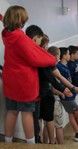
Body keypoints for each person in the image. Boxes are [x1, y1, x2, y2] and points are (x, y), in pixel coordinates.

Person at [1, 6, 56, 144]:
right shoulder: (20, 37)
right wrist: (53, 59)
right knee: (27, 113)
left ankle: (7, 143)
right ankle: (31, 144)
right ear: (21, 21)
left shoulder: (6, 34)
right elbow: (36, 57)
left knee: (12, 111)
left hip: (10, 80)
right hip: (24, 83)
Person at [25, 25, 72, 144]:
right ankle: (51, 142)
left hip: (37, 93)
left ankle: (42, 142)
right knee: (48, 120)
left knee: (39, 121)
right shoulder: (43, 60)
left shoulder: (34, 56)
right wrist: (65, 89)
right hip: (43, 93)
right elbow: (53, 78)